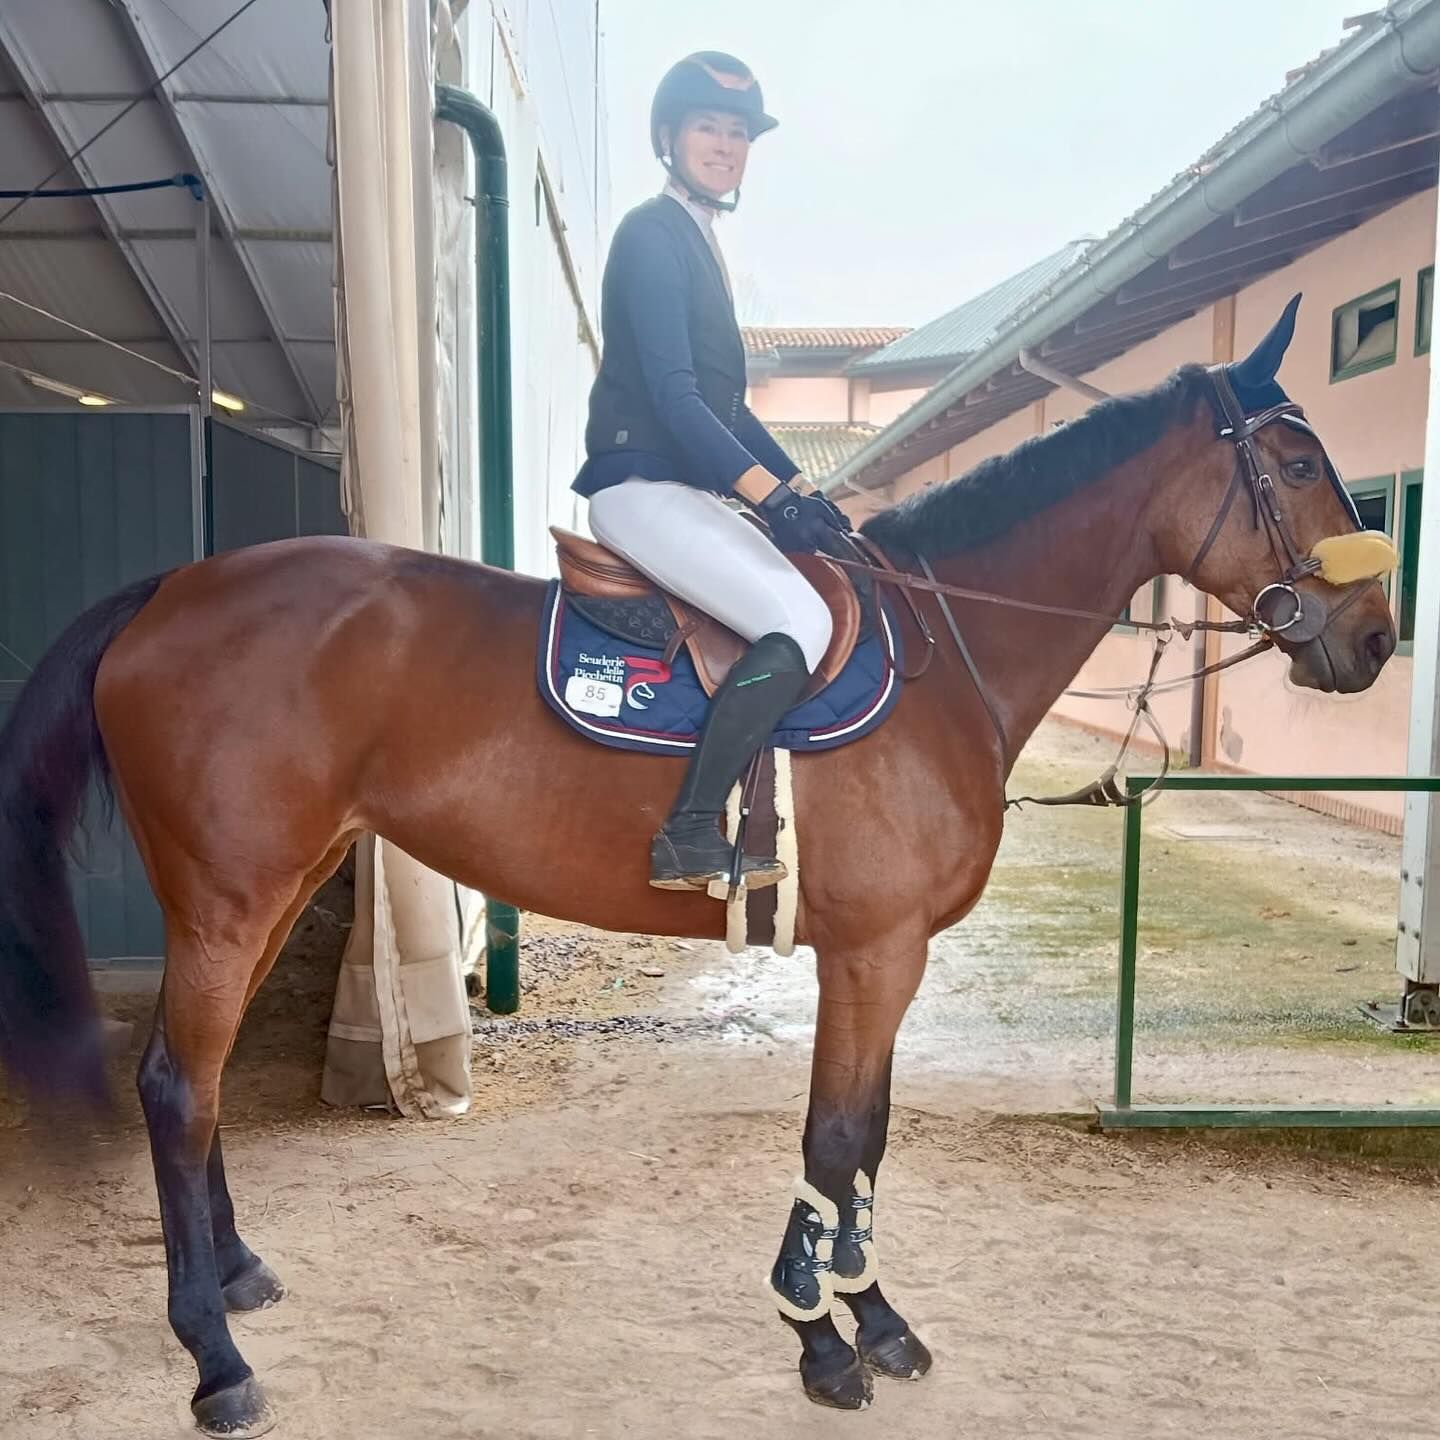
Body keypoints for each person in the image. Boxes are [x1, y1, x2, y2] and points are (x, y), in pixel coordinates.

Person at [574, 50, 851, 892]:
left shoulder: (699, 242)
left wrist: (802, 491)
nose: (726, 145)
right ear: (670, 137)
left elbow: (731, 413)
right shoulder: (652, 234)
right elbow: (677, 397)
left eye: (738, 132)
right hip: (638, 487)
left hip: (682, 488)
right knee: (800, 623)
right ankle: (691, 831)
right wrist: (768, 497)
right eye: (709, 127)